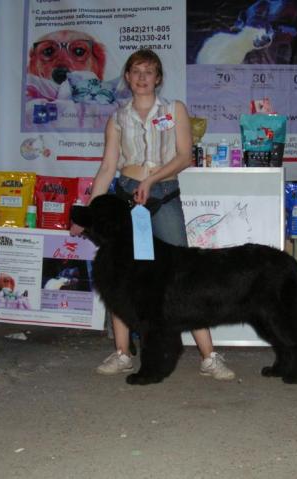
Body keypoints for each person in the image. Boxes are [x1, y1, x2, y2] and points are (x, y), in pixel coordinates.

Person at [72, 49, 235, 378]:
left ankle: (209, 356)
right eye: (136, 71)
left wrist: (151, 179)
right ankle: (121, 353)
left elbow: (184, 156)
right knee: (121, 277)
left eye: (149, 72)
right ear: (128, 78)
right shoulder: (117, 118)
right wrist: (87, 215)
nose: (143, 77)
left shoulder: (174, 110)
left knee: (183, 276)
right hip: (126, 195)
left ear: (158, 78)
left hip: (162, 193)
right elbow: (107, 167)